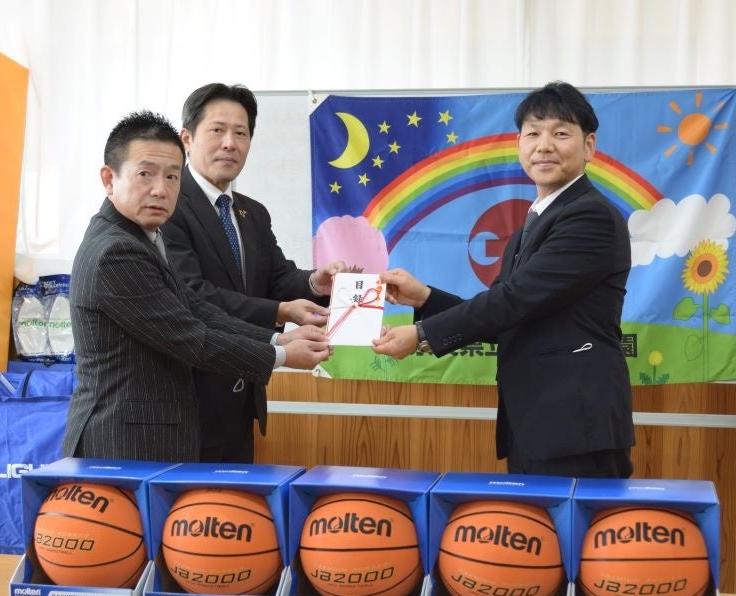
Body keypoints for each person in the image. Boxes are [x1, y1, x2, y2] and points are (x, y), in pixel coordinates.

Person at [372, 81, 634, 478]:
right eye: (533, 133)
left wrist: (422, 333)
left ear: (589, 146)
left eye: (560, 133)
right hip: (536, 424)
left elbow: (514, 299)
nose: (544, 146)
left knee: (573, 522)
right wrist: (424, 297)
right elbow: (505, 318)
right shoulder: (533, 222)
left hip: (575, 427)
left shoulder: (589, 216)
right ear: (519, 144)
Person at [62, 110, 331, 463]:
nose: (161, 189)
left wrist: (277, 339)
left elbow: (195, 308)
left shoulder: (142, 235)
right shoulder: (117, 251)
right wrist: (280, 356)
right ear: (109, 179)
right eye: (145, 174)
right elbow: (190, 338)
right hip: (123, 444)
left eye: (172, 176)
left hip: (150, 437)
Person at [162, 83, 344, 463]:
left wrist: (315, 282)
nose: (230, 143)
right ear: (186, 138)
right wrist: (281, 312)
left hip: (243, 396)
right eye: (217, 130)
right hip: (186, 402)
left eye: (241, 133)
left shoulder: (252, 213)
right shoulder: (167, 207)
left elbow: (277, 278)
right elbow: (193, 295)